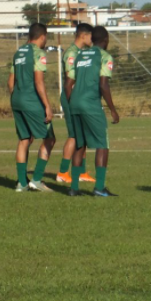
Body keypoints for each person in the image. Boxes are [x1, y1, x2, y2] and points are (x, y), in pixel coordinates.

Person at [65, 26, 120, 197]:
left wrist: (72, 103)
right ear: (105, 40)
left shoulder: (79, 55)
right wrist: (113, 109)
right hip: (91, 103)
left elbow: (68, 84)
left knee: (80, 145)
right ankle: (100, 188)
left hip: (75, 102)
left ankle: (74, 188)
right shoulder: (104, 56)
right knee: (102, 144)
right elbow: (103, 84)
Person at [9, 23, 57, 192]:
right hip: (31, 101)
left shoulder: (18, 53)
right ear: (42, 36)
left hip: (16, 100)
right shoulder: (38, 53)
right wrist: (47, 106)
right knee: (49, 138)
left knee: (24, 140)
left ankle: (21, 183)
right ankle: (36, 180)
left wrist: (18, 98)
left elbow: (10, 82)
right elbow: (38, 82)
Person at [55, 22, 97, 186]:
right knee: (74, 135)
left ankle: (81, 172)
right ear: (84, 35)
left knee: (83, 135)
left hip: (80, 98)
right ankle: (63, 172)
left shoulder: (82, 52)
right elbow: (70, 80)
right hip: (71, 97)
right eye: (91, 36)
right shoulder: (72, 54)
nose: (92, 40)